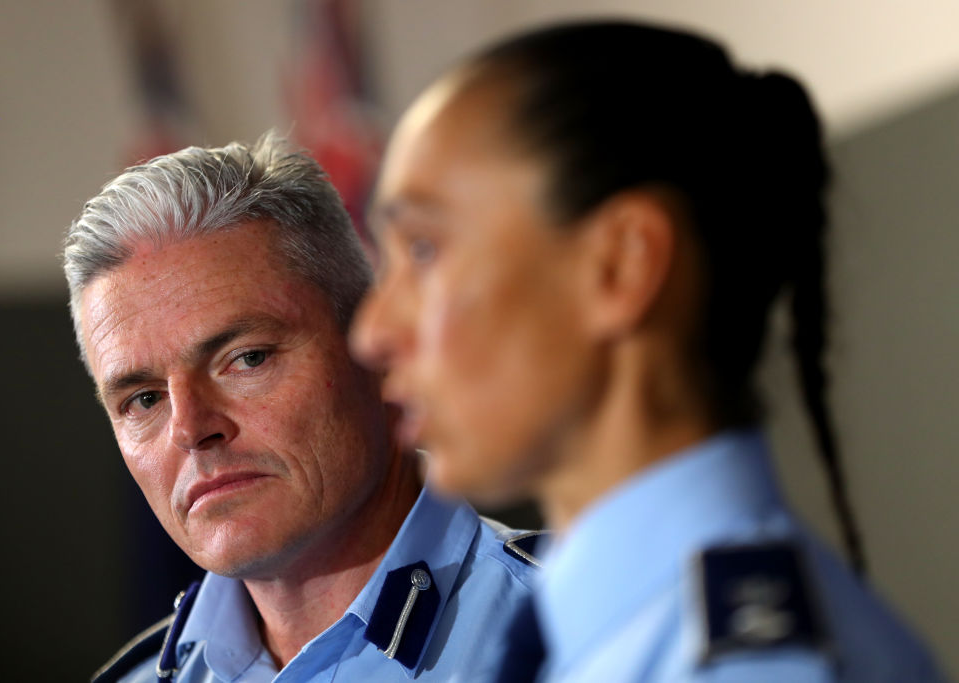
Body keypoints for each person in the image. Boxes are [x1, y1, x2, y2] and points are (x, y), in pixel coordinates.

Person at [350, 21, 946, 682]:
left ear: (619, 266)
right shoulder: (605, 629)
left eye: (425, 250)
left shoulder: (748, 665)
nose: (373, 330)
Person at [62, 132, 542, 682]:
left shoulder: (584, 634)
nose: (191, 428)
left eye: (247, 359)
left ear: (377, 347)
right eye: (144, 399)